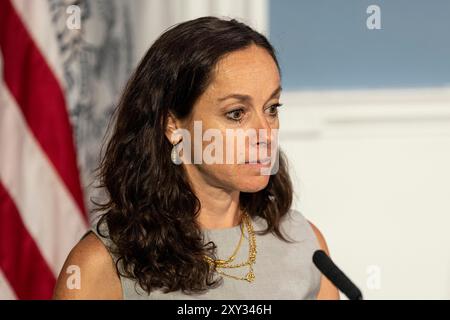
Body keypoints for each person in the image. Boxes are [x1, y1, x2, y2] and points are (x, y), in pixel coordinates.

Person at [53, 16, 339, 300]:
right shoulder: (100, 265)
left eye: (272, 108)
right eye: (236, 113)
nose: (265, 133)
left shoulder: (306, 246)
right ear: (173, 125)